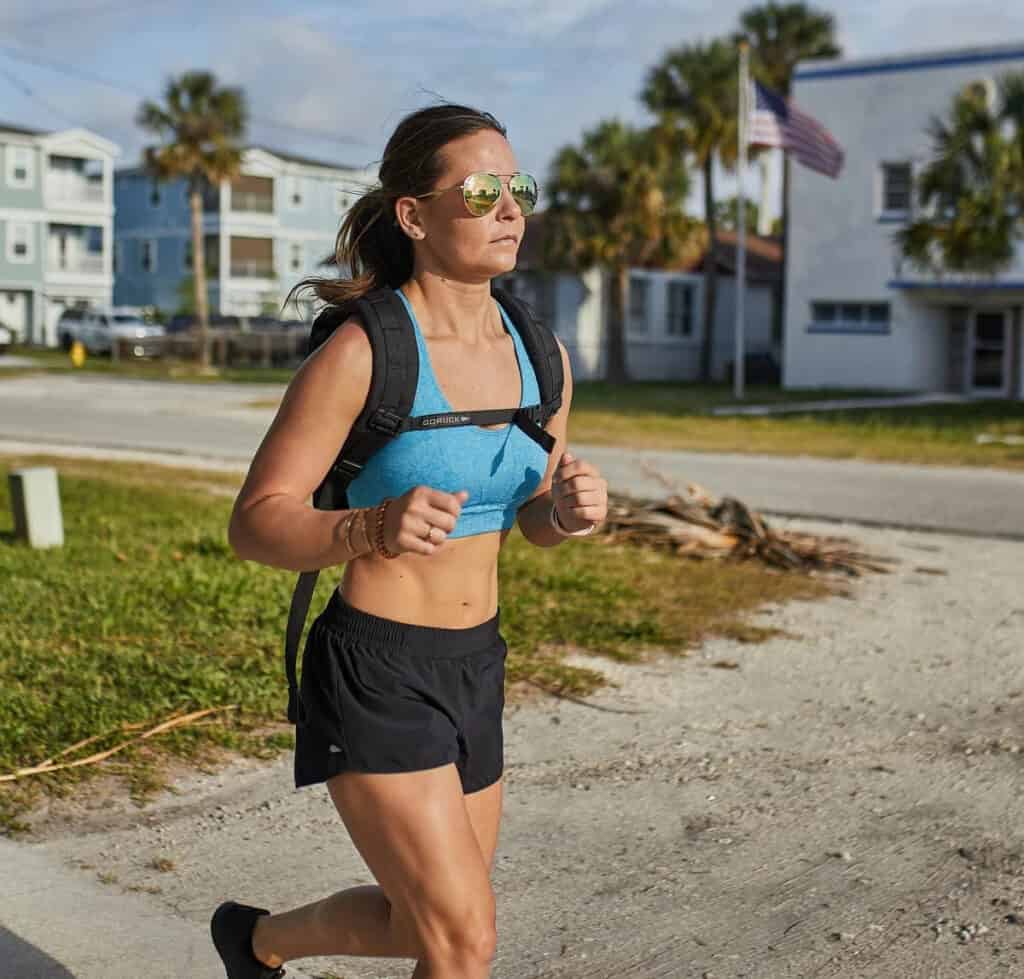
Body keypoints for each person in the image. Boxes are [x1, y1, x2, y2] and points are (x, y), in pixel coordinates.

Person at [210, 103, 609, 979]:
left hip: (476, 663)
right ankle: (255, 943)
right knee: (464, 940)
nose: (510, 208)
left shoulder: (540, 354)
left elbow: (530, 518)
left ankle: (256, 941)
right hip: (377, 670)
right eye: (481, 189)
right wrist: (368, 526)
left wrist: (566, 513)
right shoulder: (364, 351)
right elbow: (256, 519)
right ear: (415, 216)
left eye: (519, 187)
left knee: (425, 928)